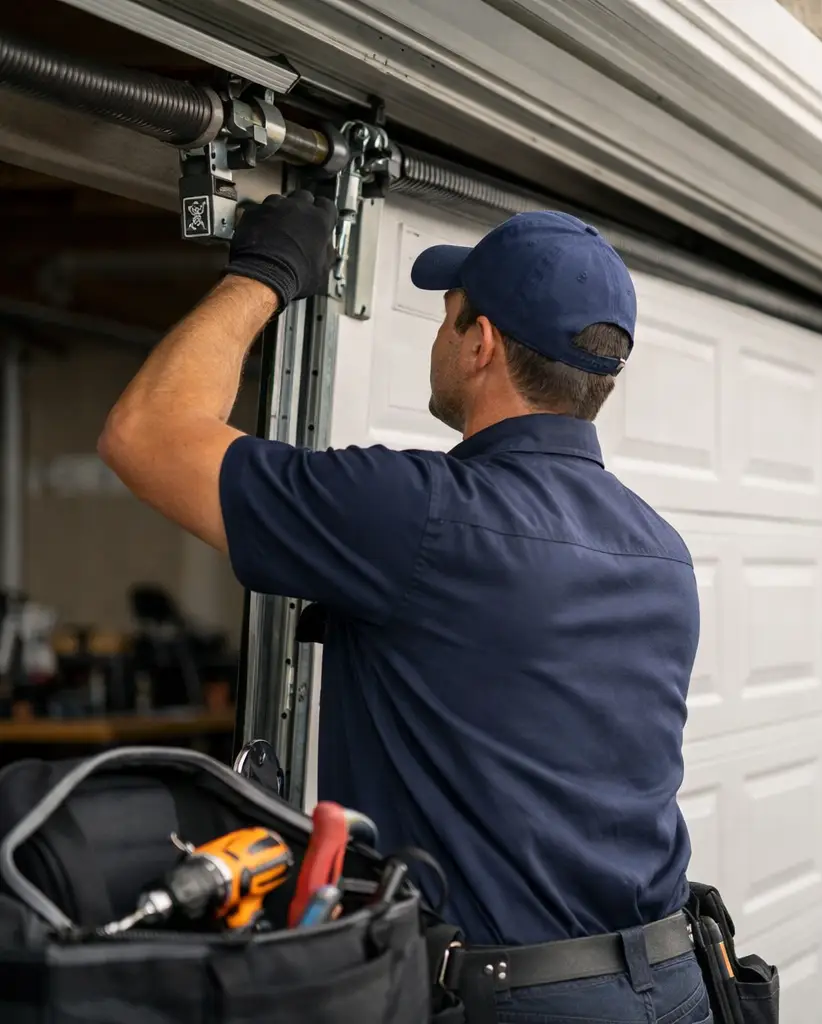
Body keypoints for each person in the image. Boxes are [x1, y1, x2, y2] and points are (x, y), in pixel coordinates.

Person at [98, 191, 710, 1024]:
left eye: (448, 316)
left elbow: (147, 435)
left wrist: (264, 273)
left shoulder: (418, 515)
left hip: (513, 1002)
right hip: (672, 985)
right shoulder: (662, 552)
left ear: (480, 345)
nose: (440, 336)